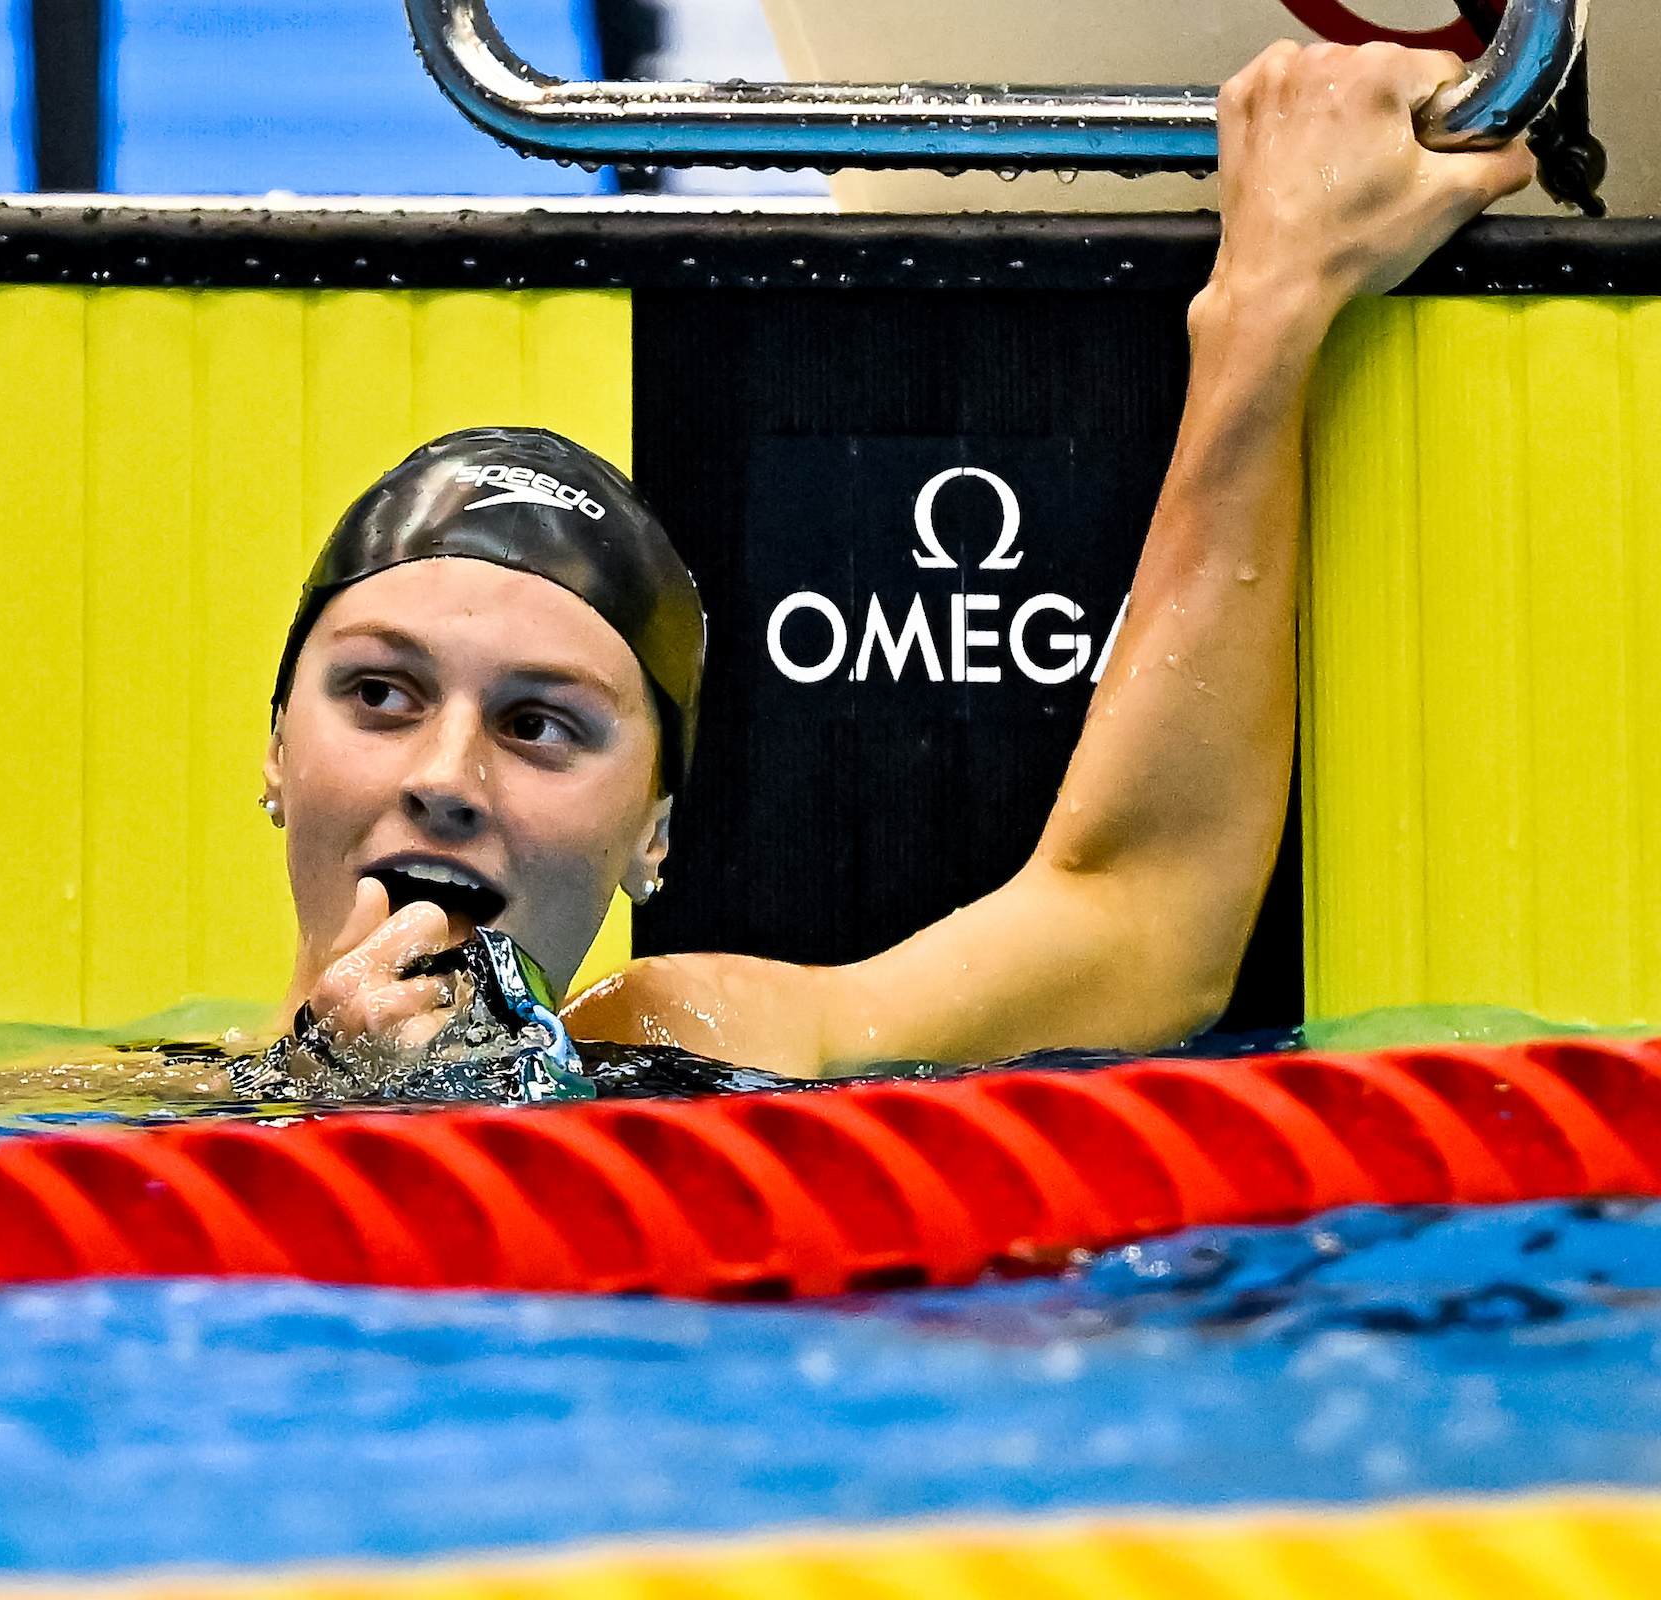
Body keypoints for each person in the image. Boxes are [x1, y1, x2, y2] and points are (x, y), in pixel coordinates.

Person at [258, 41, 1536, 1081]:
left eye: (541, 724)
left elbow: (1140, 918)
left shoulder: (686, 1040)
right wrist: (323, 1094)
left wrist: (1268, 306)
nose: (447, 777)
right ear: (272, 753)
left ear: (653, 833)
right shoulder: (145, 1112)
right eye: (381, 693)